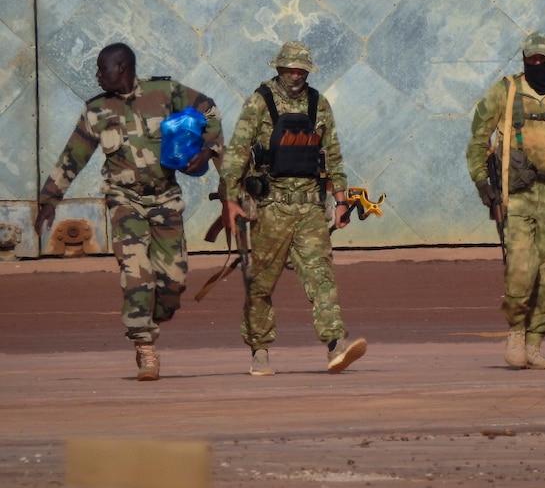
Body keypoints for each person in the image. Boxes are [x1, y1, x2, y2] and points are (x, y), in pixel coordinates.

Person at [34, 42, 223, 381]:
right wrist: (49, 199)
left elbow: (208, 109)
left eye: (100, 68)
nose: (96, 75)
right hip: (125, 201)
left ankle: (153, 316)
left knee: (173, 283)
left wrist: (208, 149)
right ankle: (144, 346)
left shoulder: (164, 92)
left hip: (165, 198)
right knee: (136, 272)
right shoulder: (96, 110)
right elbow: (72, 156)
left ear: (120, 67)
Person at [219, 40, 366, 376]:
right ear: (279, 68)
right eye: (289, 69)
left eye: (300, 70)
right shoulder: (260, 102)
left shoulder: (319, 104)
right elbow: (238, 153)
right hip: (272, 207)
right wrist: (230, 199)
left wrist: (342, 201)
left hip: (311, 207)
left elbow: (333, 155)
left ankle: (336, 345)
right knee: (261, 282)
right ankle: (260, 351)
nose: (295, 75)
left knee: (322, 276)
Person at [465, 31, 545, 369]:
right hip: (517, 196)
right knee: (521, 270)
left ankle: (536, 342)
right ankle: (516, 332)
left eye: (543, 58)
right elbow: (479, 138)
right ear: (524, 59)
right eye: (531, 58)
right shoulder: (505, 92)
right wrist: (482, 182)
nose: (537, 63)